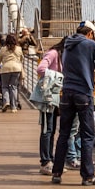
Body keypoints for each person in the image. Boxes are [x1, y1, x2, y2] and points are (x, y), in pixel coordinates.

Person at [50, 20, 95, 186]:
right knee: (87, 135)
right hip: (83, 93)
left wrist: (87, 62)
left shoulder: (67, 44)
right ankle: (87, 176)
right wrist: (92, 63)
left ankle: (56, 173)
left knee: (64, 134)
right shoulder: (89, 44)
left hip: (67, 93)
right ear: (90, 33)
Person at [35, 38, 67, 175]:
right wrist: (59, 77)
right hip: (48, 96)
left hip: (55, 97)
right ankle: (45, 161)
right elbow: (41, 68)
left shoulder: (63, 56)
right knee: (47, 129)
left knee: (52, 129)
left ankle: (50, 159)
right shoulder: (53, 53)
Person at [0, 33, 23, 111]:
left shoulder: (3, 49)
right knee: (14, 87)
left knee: (5, 86)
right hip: (16, 69)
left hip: (5, 69)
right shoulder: (19, 49)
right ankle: (14, 107)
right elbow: (22, 59)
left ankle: (6, 101)